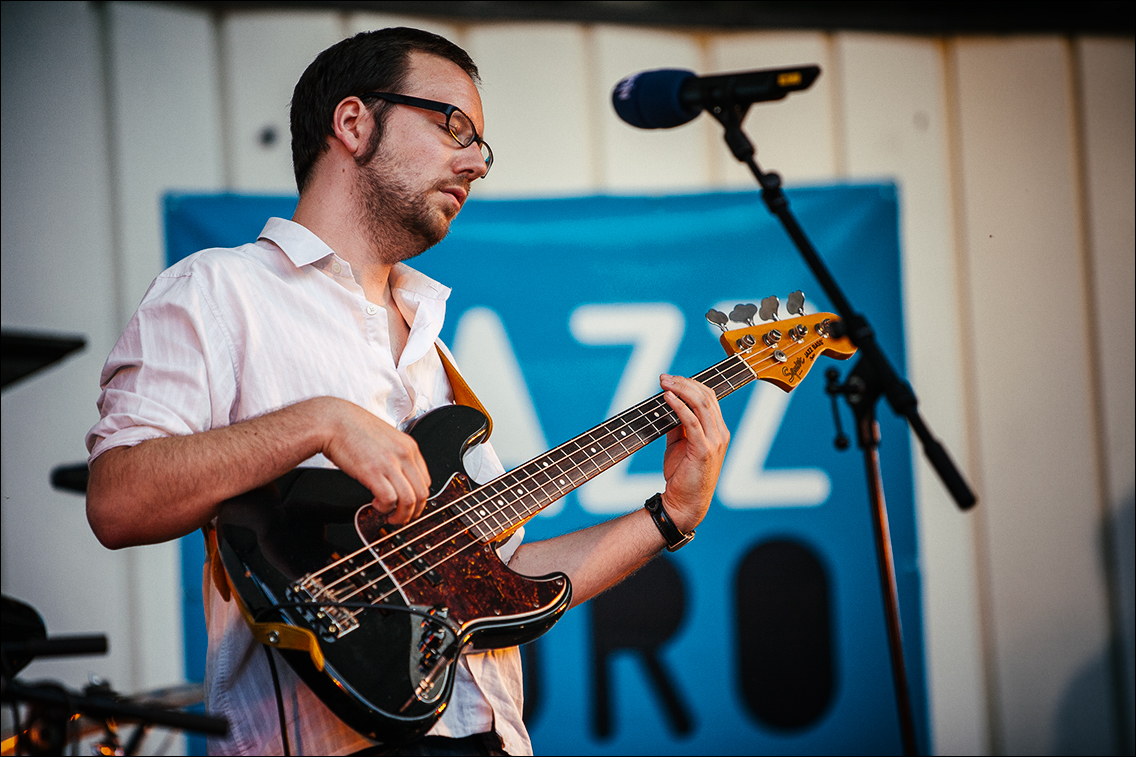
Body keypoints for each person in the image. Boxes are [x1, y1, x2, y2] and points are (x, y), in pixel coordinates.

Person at [85, 27, 729, 756]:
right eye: (454, 125)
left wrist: (672, 514)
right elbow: (118, 497)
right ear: (354, 123)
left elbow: (504, 575)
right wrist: (318, 423)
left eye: (484, 145)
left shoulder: (434, 349)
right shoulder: (216, 292)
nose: (477, 163)